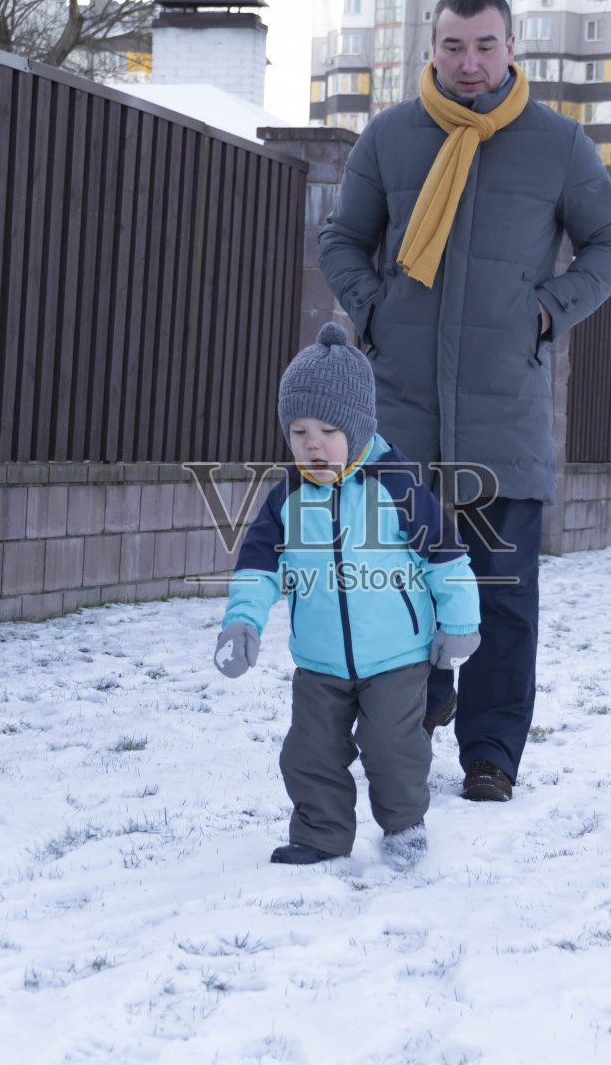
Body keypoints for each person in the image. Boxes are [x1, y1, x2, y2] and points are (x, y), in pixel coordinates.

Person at [318, 0, 611, 803]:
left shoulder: (559, 145)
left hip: (505, 414)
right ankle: (410, 716)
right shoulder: (390, 137)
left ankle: (491, 753)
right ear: (431, 46)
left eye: (484, 46)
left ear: (510, 46)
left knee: (501, 594)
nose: (470, 63)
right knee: (395, 582)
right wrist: (374, 308)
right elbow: (341, 241)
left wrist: (548, 309)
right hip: (401, 413)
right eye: (454, 46)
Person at [213, 322, 481, 868]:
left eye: (329, 430)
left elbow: (446, 558)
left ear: (359, 428)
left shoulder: (397, 484)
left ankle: (404, 826)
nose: (312, 443)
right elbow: (258, 568)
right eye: (299, 430)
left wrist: (459, 626)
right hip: (320, 660)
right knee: (308, 752)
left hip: (398, 656)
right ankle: (321, 835)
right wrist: (243, 624)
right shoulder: (285, 497)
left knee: (391, 748)